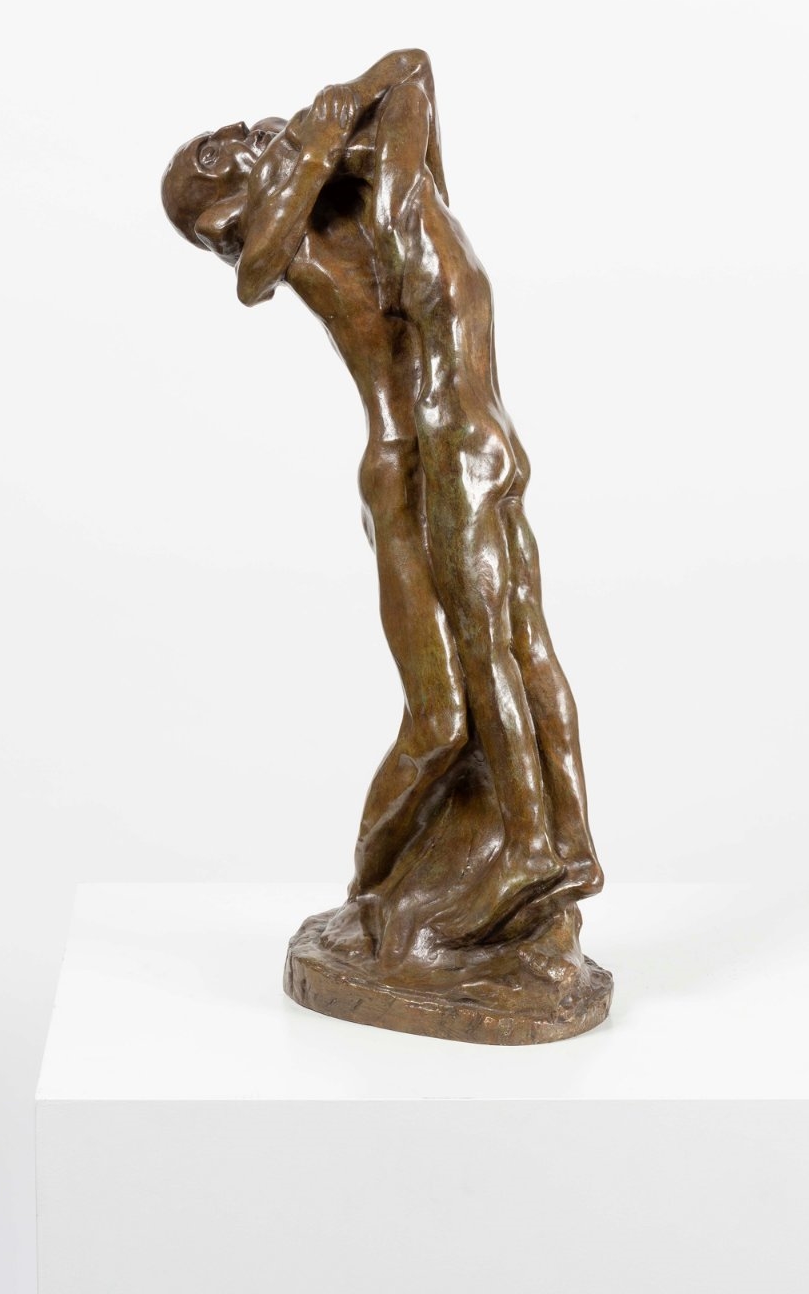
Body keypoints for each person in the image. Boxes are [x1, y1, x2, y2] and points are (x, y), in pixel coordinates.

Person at [162, 51, 601, 945]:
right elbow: (253, 271)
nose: (246, 130)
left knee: (501, 658)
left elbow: (411, 75)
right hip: (412, 466)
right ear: (218, 209)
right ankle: (378, 891)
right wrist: (318, 142)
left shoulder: (382, 203)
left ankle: (547, 849)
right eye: (220, 148)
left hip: (457, 448)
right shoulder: (288, 225)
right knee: (443, 712)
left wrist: (345, 136)